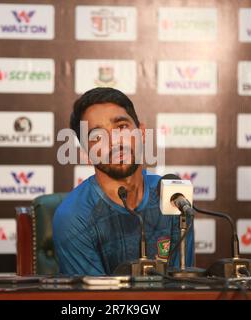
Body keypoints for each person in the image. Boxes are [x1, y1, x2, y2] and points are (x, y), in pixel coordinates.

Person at [53, 87, 194, 275]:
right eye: (97, 137)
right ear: (86, 153)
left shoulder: (174, 197)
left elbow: (183, 287)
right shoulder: (73, 217)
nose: (114, 141)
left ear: (142, 133)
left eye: (121, 127)